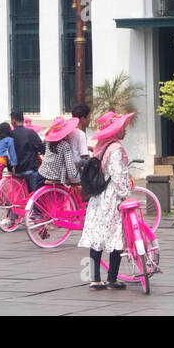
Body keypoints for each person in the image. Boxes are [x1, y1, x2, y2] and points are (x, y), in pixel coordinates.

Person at [79, 110, 136, 291]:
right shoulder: (116, 149)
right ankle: (112, 278)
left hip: (98, 197)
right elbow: (118, 176)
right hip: (112, 198)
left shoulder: (101, 146)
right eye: (122, 127)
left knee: (98, 236)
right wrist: (126, 195)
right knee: (116, 235)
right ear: (115, 131)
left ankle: (95, 279)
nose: (125, 130)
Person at [38, 116, 81, 185]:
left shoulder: (48, 142)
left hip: (42, 174)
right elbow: (70, 169)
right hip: (54, 179)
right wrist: (77, 179)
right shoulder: (64, 145)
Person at [10, 110, 45, 192]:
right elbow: (41, 148)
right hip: (30, 168)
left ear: (13, 120)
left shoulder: (11, 134)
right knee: (36, 194)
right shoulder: (31, 133)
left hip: (16, 170)